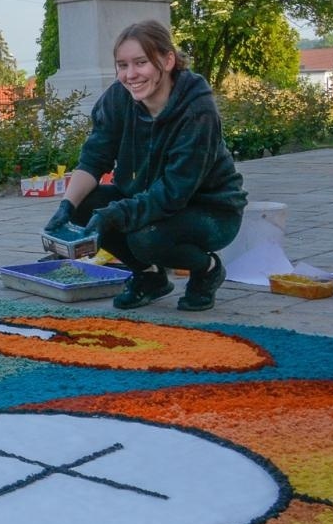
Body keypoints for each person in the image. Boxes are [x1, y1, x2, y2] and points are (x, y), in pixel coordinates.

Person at [43, 19, 246, 311]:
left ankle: (206, 269)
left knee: (145, 237)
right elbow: (94, 158)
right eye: (122, 65)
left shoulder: (197, 110)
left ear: (167, 60)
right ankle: (150, 277)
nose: (130, 75)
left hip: (209, 210)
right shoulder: (118, 98)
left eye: (141, 63)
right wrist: (66, 208)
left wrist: (115, 214)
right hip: (149, 198)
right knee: (85, 203)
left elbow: (174, 193)